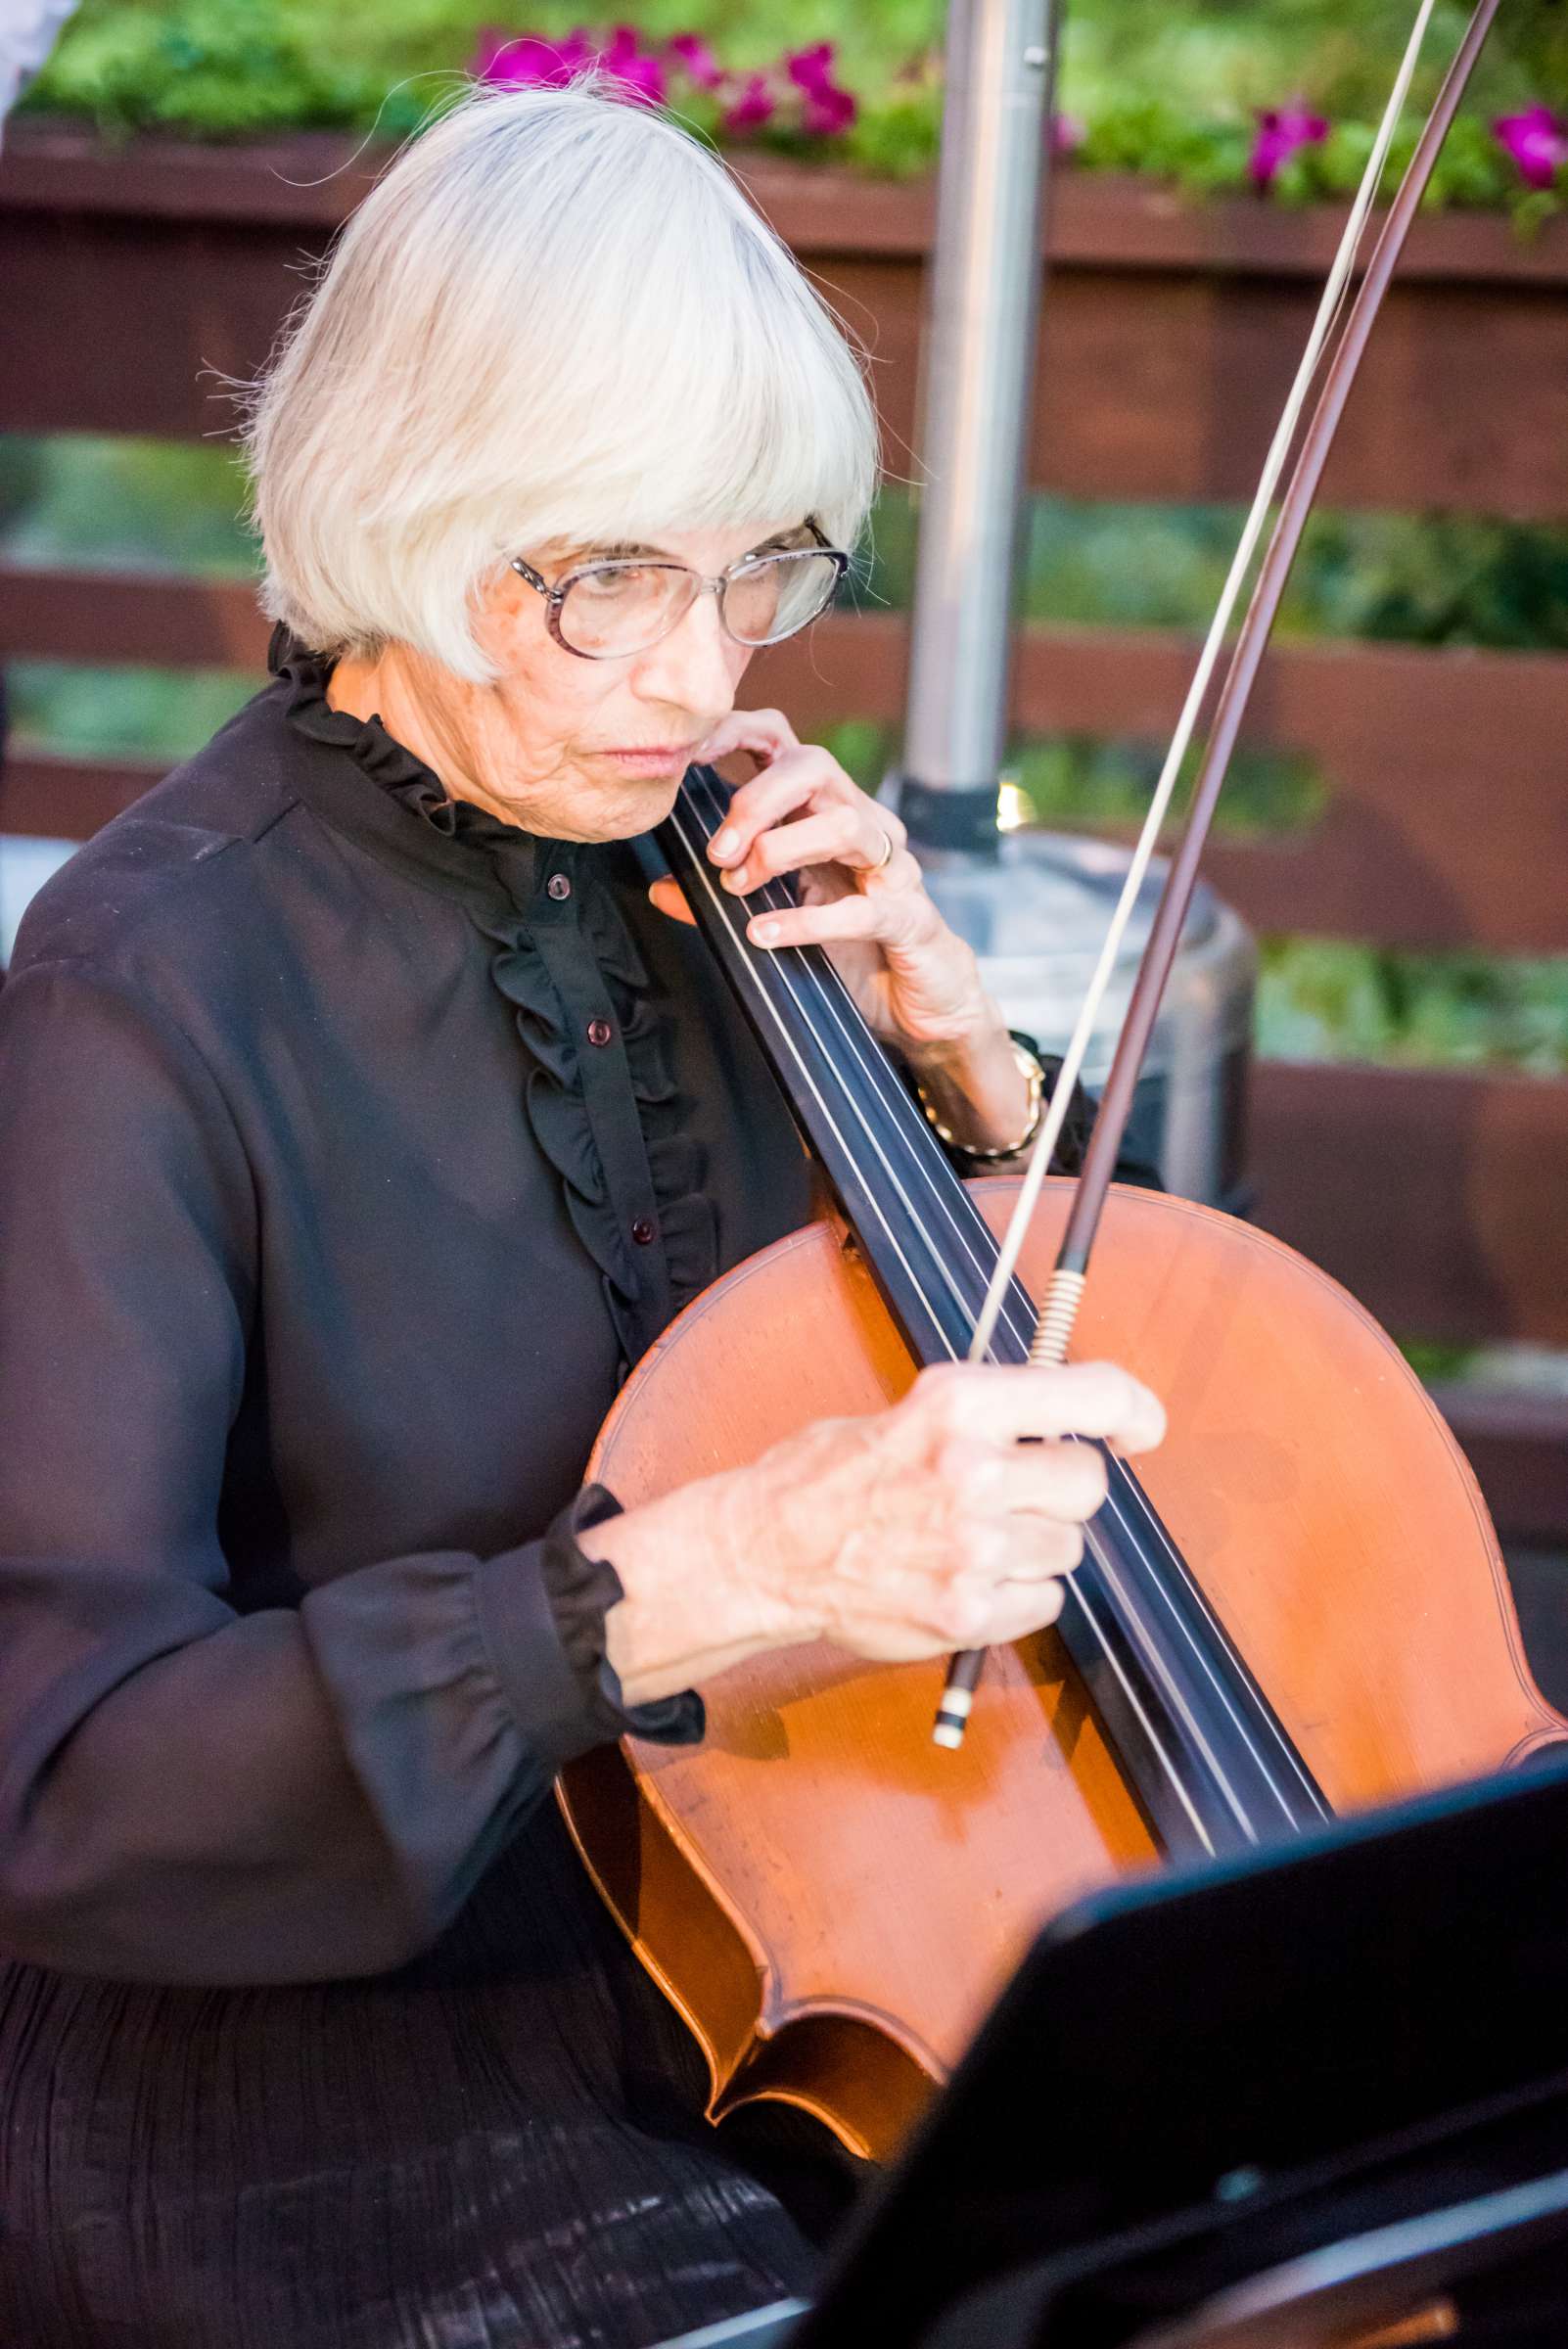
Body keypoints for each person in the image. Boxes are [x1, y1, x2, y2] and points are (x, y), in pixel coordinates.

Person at [0, 78, 1165, 2349]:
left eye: (763, 567)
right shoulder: (145, 987)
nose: (705, 677)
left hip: (786, 1939)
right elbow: (62, 1780)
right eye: (608, 578)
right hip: (309, 2067)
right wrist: (724, 1571)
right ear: (404, 516)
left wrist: (970, 1072)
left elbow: (1101, 1420)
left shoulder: (730, 865)